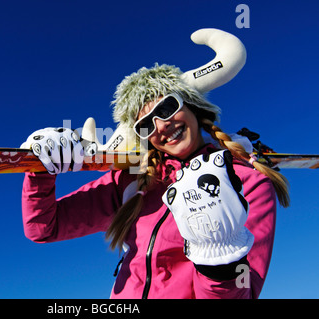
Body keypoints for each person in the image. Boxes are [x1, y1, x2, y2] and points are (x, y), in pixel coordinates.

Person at [20, 32, 290, 299]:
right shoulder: (129, 182)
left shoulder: (247, 183)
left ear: (192, 105)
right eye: (146, 124)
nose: (161, 126)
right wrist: (43, 169)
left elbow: (244, 291)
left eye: (167, 108)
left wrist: (219, 262)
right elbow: (44, 228)